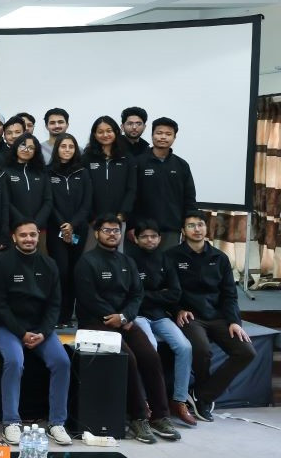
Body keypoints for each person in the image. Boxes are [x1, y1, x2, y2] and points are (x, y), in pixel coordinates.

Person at [76, 215, 178, 443]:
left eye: (116, 230)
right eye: (107, 230)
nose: (112, 234)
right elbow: (88, 297)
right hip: (96, 323)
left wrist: (125, 316)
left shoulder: (127, 261)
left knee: (151, 356)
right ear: (97, 233)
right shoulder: (86, 262)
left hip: (124, 320)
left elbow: (137, 294)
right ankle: (138, 417)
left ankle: (160, 416)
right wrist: (114, 317)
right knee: (128, 358)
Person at [168, 211, 256, 422]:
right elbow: (168, 290)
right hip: (190, 316)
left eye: (200, 224)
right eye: (191, 226)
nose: (197, 229)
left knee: (246, 351)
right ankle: (203, 401)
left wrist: (234, 321)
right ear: (183, 231)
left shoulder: (220, 257)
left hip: (217, 316)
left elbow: (229, 294)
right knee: (202, 349)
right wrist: (178, 309)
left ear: (206, 228)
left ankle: (202, 395)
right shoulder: (171, 256)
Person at [0, 221, 71, 447]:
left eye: (33, 235)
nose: (28, 239)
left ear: (38, 237)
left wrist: (43, 332)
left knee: (62, 361)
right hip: (9, 327)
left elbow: (55, 305)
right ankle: (11, 422)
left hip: (40, 329)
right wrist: (21, 332)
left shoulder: (49, 264)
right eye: (23, 235)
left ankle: (57, 423)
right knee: (15, 362)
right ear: (14, 237)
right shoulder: (2, 262)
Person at [127, 220, 198, 426]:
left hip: (160, 315)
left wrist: (148, 296)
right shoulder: (129, 260)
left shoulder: (166, 259)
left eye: (153, 236)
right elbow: (132, 295)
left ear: (160, 238)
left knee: (185, 347)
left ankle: (179, 400)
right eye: (144, 236)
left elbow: (175, 293)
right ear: (136, 239)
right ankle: (145, 400)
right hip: (138, 315)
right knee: (150, 347)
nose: (149, 240)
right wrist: (159, 294)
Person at [46, 133, 90, 325]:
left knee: (74, 272)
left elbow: (87, 203)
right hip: (56, 230)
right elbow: (49, 201)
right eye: (63, 146)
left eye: (71, 147)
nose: (67, 150)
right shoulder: (48, 172)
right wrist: (63, 225)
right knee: (60, 271)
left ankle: (67, 316)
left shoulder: (83, 172)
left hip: (78, 230)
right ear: (57, 149)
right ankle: (56, 315)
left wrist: (73, 225)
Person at [133, 117, 196, 247]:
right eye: (159, 133)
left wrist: (188, 225)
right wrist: (131, 226)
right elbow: (131, 195)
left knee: (169, 260)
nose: (163, 137)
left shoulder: (181, 165)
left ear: (174, 137)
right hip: (142, 229)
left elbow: (189, 199)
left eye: (168, 134)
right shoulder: (138, 162)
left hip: (171, 229)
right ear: (152, 135)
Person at [83, 116, 138, 247]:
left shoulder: (127, 158)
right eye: (100, 132)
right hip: (92, 221)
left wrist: (121, 215)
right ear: (94, 134)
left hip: (118, 220)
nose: (105, 135)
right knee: (91, 253)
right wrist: (91, 217)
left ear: (116, 132)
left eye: (109, 131)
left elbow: (132, 189)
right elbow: (83, 190)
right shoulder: (86, 158)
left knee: (116, 254)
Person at [6, 133, 52, 244]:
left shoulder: (41, 173)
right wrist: (22, 223)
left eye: (31, 147)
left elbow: (48, 201)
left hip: (39, 229)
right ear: (16, 147)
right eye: (23, 145)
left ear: (35, 151)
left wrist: (36, 224)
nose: (26, 149)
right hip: (15, 228)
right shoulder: (6, 173)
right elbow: (6, 202)